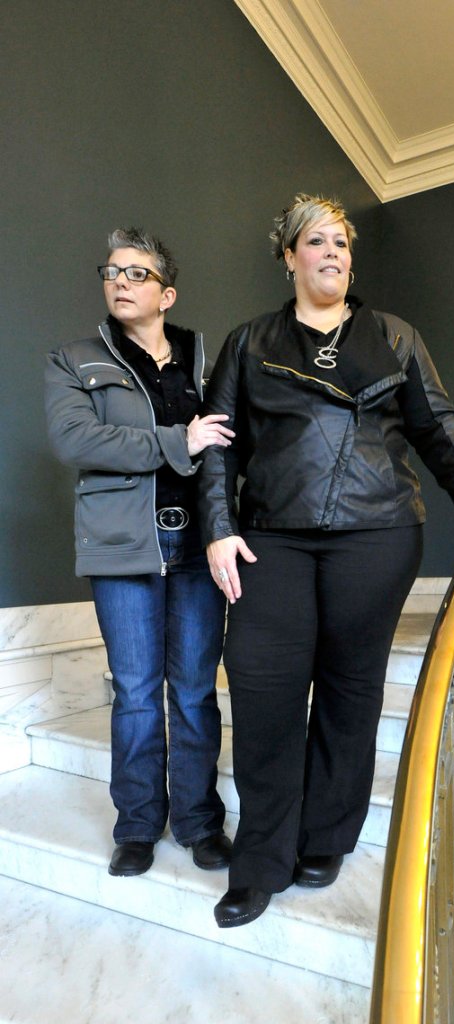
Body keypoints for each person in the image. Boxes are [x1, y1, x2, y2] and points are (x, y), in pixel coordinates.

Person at [199, 194, 454, 927]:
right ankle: (261, 858)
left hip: (375, 534)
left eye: (341, 242)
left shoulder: (393, 335)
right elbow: (218, 442)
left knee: (349, 694)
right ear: (289, 257)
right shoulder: (249, 342)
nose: (333, 252)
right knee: (264, 693)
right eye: (316, 241)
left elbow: (434, 423)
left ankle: (326, 837)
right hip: (269, 536)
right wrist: (217, 527)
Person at [45, 228, 235, 878]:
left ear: (167, 292)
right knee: (133, 693)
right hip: (124, 548)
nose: (120, 281)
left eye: (137, 273)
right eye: (112, 271)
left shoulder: (208, 366)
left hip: (199, 545)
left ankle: (200, 822)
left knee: (192, 692)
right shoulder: (74, 360)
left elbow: (235, 447)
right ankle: (137, 827)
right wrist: (178, 439)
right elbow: (78, 441)